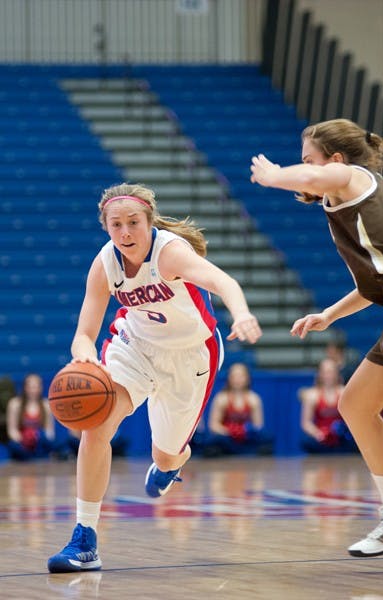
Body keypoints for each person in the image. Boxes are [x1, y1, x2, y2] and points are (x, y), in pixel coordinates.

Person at [47, 182, 262, 573]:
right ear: (106, 227)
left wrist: (242, 313)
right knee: (97, 425)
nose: (125, 232)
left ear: (149, 222)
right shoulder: (105, 264)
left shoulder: (171, 253)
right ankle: (85, 539)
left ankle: (169, 464)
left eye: (133, 222)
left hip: (190, 356)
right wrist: (87, 359)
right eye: (116, 225)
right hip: (134, 345)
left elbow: (223, 281)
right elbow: (83, 333)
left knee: (165, 453)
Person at [250, 117, 383, 558]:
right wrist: (328, 315)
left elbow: (317, 177)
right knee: (355, 404)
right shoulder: (343, 208)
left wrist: (276, 176)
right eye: (299, 163)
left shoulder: (352, 178)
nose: (303, 168)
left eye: (307, 158)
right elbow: (376, 286)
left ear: (334, 160)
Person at [204, 362, 273, 456]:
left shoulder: (254, 399)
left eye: (241, 376)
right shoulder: (221, 398)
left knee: (266, 439)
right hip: (227, 438)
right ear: (229, 378)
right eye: (234, 376)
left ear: (247, 378)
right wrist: (230, 431)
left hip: (246, 438)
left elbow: (258, 426)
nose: (237, 379)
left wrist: (244, 431)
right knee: (212, 442)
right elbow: (213, 425)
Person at [299, 357, 356, 453]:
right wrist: (318, 434)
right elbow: (306, 423)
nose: (328, 375)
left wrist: (345, 432)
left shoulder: (344, 393)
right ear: (320, 374)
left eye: (331, 372)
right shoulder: (312, 395)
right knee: (306, 442)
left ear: (337, 373)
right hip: (321, 438)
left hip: (341, 438)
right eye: (325, 372)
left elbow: (353, 418)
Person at [6, 373, 56, 461]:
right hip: (21, 445)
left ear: (41, 388)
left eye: (36, 387)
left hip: (39, 445)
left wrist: (38, 438)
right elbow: (12, 430)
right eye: (31, 387)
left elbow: (50, 432)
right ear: (25, 387)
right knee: (13, 446)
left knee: (53, 445)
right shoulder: (15, 404)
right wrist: (23, 439)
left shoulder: (46, 405)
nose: (33, 390)